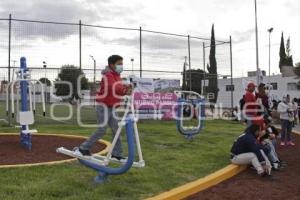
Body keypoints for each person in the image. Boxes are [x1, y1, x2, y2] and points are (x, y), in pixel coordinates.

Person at [76, 55, 133, 159]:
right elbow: (113, 87)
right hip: (103, 106)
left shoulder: (117, 76)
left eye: (122, 64)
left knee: (116, 130)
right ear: (112, 65)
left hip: (112, 107)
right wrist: (125, 90)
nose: (121, 66)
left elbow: (119, 87)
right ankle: (83, 148)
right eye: (119, 64)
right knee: (102, 129)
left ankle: (117, 154)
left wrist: (127, 88)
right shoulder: (108, 75)